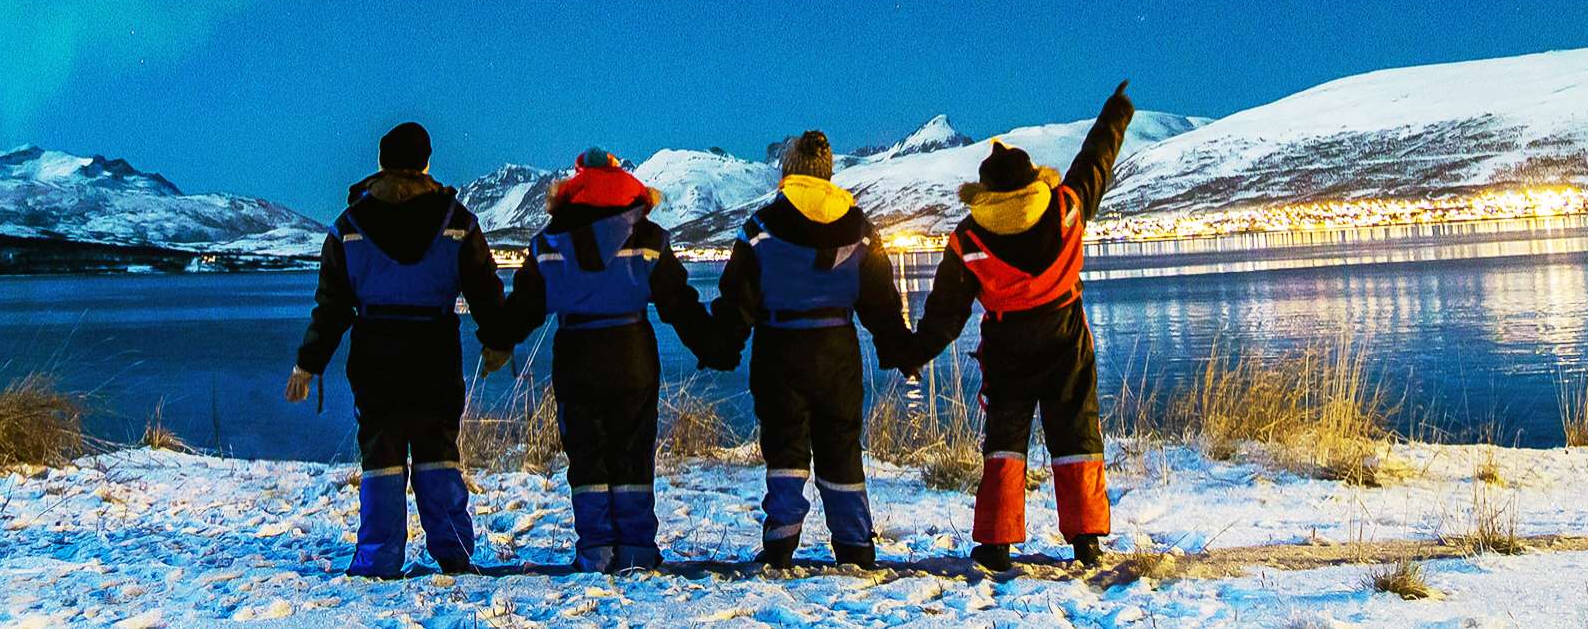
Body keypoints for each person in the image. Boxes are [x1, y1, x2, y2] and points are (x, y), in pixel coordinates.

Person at [902, 82, 1136, 570]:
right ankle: (1086, 538)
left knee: (1004, 443)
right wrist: (1115, 112)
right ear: (1033, 181)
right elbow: (1095, 161)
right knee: (1076, 434)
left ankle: (996, 543)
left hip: (1007, 348)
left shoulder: (968, 239)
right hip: (1066, 339)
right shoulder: (1066, 207)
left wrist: (913, 353)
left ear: (985, 193)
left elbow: (946, 314)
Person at [286, 121, 509, 578]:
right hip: (435, 352)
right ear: (426, 161)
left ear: (381, 162)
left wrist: (308, 365)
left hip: (376, 355)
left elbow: (332, 308)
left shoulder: (348, 226)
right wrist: (496, 341)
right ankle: (453, 552)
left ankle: (378, 557)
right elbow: (485, 290)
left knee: (381, 455)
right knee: (438, 450)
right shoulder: (457, 221)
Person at [481, 149, 721, 572]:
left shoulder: (551, 240)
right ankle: (636, 550)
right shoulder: (648, 237)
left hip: (577, 351)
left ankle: (595, 550)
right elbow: (679, 302)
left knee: (586, 453)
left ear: (576, 183)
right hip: (632, 351)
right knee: (633, 450)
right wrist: (713, 345)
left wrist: (498, 342)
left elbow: (525, 306)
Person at [708, 130, 914, 567]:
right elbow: (880, 300)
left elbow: (737, 299)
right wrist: (899, 349)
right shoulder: (859, 227)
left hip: (780, 351)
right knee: (841, 446)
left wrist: (721, 348)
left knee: (785, 447)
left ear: (789, 173)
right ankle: (855, 545)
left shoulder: (761, 227)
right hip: (838, 351)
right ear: (828, 173)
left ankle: (780, 541)